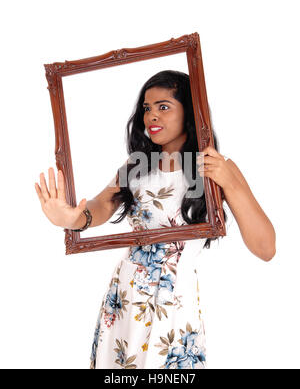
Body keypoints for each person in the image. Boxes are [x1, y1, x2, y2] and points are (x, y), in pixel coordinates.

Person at [35, 70, 276, 369]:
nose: (151, 116)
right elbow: (100, 205)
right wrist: (74, 218)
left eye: (163, 106)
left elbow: (266, 247)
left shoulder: (212, 167)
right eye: (147, 108)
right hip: (125, 297)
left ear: (190, 110)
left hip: (175, 303)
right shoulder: (138, 165)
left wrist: (229, 181)